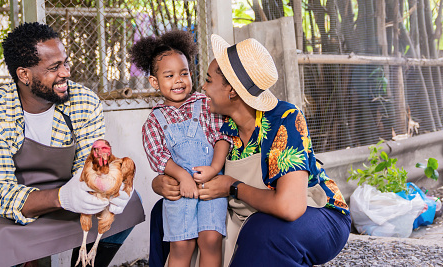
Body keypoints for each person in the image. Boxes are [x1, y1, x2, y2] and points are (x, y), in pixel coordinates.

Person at [0, 22, 145, 267]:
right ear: (24, 74)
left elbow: (87, 168)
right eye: (54, 67)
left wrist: (107, 188)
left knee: (127, 205)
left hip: (68, 195)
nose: (66, 72)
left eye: (65, 62)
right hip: (8, 209)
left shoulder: (84, 102)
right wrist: (60, 198)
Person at [150, 34, 352, 266]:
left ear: (232, 91)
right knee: (164, 212)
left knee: (263, 232)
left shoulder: (284, 119)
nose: (202, 87)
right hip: (246, 209)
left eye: (208, 80)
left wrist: (232, 186)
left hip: (314, 211)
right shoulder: (214, 120)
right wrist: (162, 183)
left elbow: (290, 207)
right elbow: (189, 164)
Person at [130, 30, 230, 267]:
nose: (179, 80)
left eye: (184, 73)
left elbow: (222, 137)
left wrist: (215, 168)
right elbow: (159, 157)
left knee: (211, 239)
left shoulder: (205, 104)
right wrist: (182, 176)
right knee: (181, 245)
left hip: (210, 186)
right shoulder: (155, 120)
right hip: (178, 189)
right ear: (155, 82)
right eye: (169, 75)